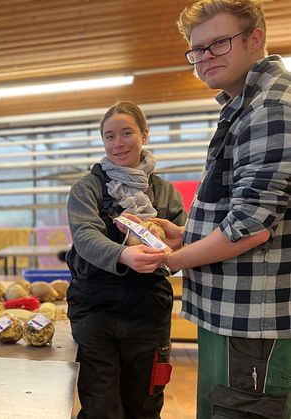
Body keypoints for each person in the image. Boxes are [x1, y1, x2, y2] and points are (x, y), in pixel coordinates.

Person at [147, 1, 291, 417]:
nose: (205, 57)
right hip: (233, 314)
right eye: (197, 49)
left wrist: (173, 260)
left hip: (254, 319)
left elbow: (250, 227)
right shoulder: (243, 106)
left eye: (219, 44)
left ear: (255, 39)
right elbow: (244, 207)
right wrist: (187, 235)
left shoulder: (269, 107)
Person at [65, 101, 186, 418]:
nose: (117, 143)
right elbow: (85, 237)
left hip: (148, 310)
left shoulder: (165, 193)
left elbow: (180, 246)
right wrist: (123, 253)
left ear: (144, 134)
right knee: (102, 407)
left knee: (145, 404)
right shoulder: (87, 188)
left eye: (126, 133)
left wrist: (170, 253)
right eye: (109, 136)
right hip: (95, 310)